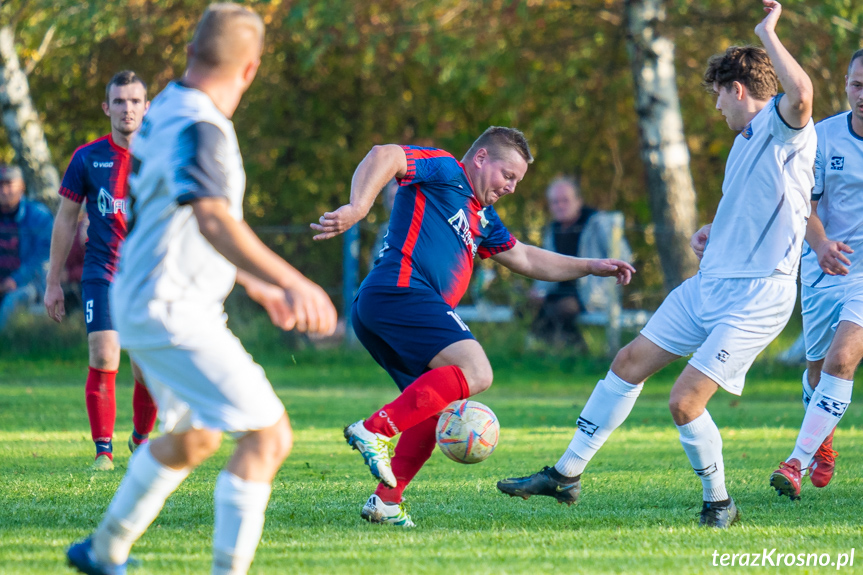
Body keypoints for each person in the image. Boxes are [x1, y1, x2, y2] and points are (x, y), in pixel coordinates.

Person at [497, 0, 815, 529]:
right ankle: (566, 475)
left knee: (685, 401)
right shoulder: (745, 145)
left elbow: (802, 94)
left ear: (738, 89)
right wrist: (716, 230)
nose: (716, 107)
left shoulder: (784, 127)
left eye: (718, 95)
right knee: (627, 363)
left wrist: (766, 32)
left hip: (758, 295)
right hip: (711, 284)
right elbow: (761, 206)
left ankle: (719, 504)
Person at [66, 5, 337, 575]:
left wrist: (257, 285)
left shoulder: (164, 107)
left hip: (148, 302)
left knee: (195, 438)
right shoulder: (202, 126)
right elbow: (213, 218)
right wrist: (293, 280)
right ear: (251, 70)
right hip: (173, 311)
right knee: (269, 437)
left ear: (191, 53)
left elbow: (181, 219)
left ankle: (103, 549)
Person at [311, 127, 634, 527]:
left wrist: (589, 267)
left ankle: (386, 502)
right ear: (480, 158)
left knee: (433, 409)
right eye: (508, 176)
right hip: (400, 291)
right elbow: (385, 154)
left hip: (384, 306)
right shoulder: (446, 170)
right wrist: (358, 207)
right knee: (477, 371)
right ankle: (374, 430)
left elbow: (527, 259)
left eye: (517, 181)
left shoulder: (483, 218)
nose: (511, 188)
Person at [44, 70, 159, 471]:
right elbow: (66, 219)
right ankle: (103, 452)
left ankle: (142, 439)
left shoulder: (161, 157)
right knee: (104, 353)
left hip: (148, 277)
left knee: (146, 364)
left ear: (147, 106)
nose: (127, 109)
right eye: (119, 101)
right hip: (102, 272)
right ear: (106, 107)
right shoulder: (87, 157)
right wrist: (52, 281)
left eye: (134, 101)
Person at [769, 48, 863, 500]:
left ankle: (795, 463)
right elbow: (803, 205)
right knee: (816, 373)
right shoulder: (823, 138)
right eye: (858, 85)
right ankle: (821, 439)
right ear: (845, 85)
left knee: (842, 361)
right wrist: (822, 245)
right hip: (825, 267)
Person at [530, 176, 632, 348]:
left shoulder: (599, 224)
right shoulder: (553, 230)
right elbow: (544, 265)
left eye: (565, 200)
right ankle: (563, 352)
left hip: (591, 294)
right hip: (558, 291)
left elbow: (623, 257)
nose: (560, 206)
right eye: (555, 202)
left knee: (559, 310)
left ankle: (572, 351)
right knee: (528, 308)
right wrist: (538, 291)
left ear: (578, 201)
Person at [0, 164, 52, 330]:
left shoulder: (38, 216)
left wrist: (15, 280)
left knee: (12, 301)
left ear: (22, 186)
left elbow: (44, 257)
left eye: (9, 184)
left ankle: (5, 345)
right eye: (0, 185)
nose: (4, 190)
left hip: (28, 285)